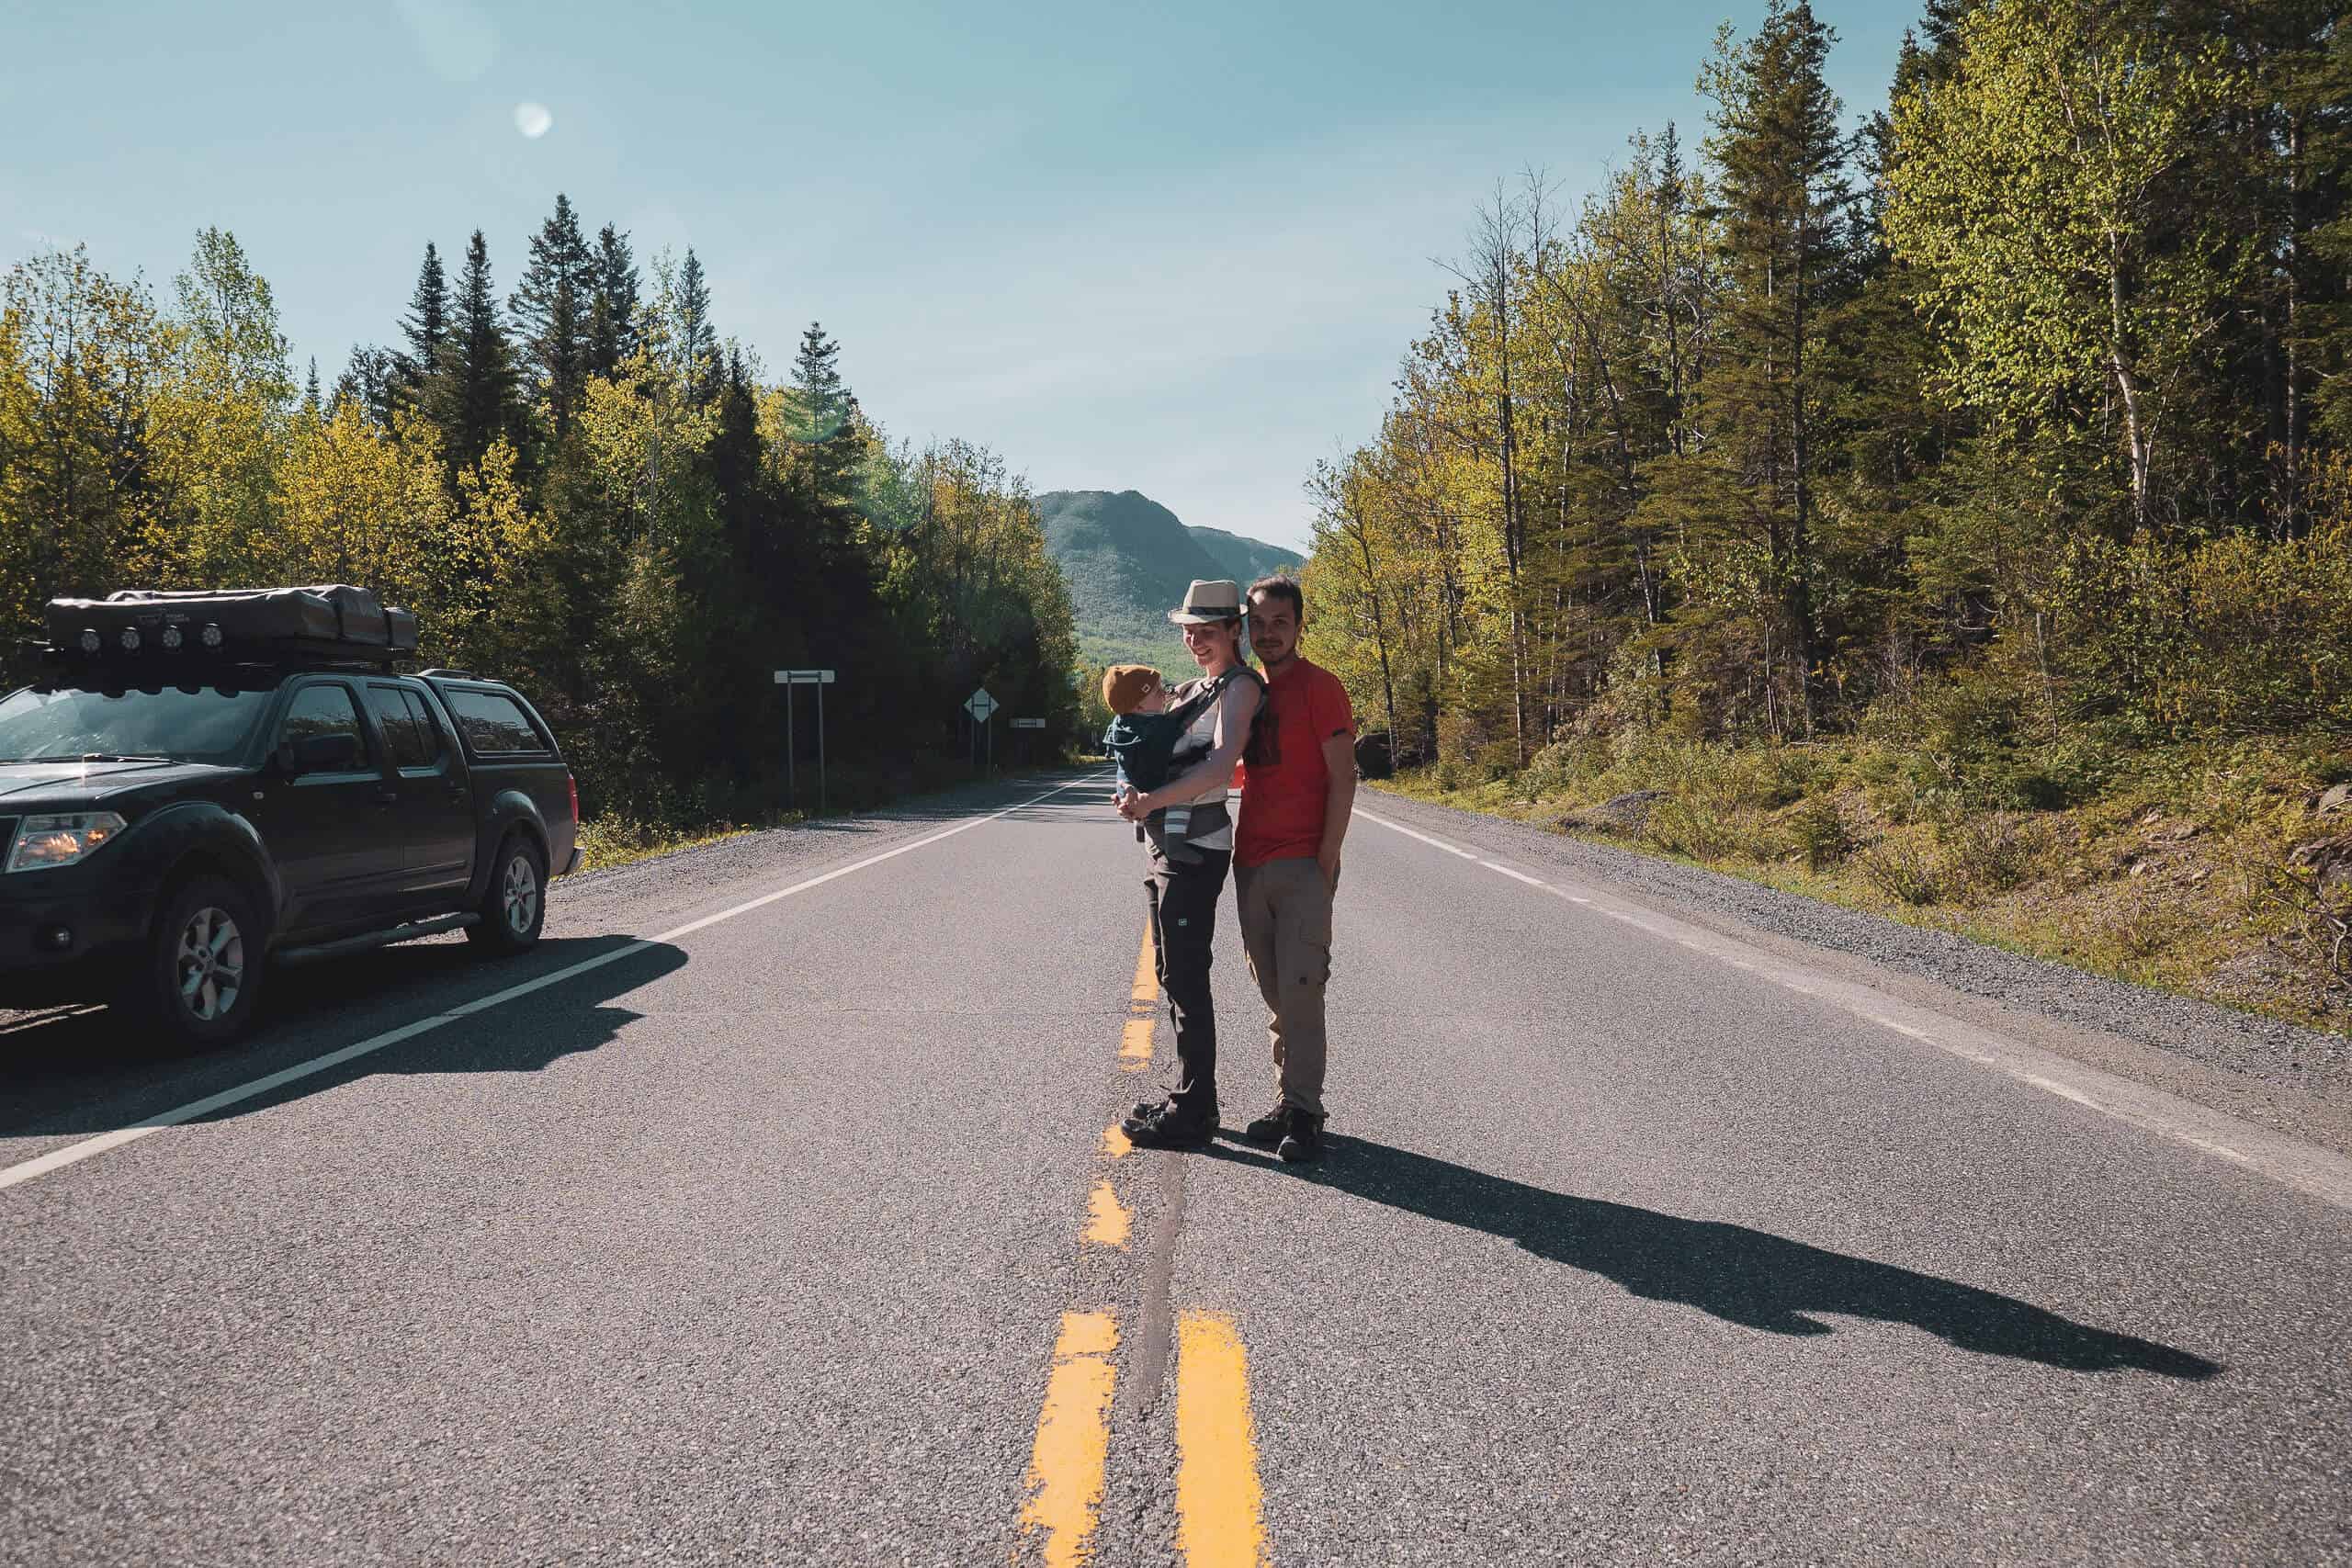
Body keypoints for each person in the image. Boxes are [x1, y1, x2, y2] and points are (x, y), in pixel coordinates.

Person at [1115, 581, 1262, 1150]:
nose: (1193, 639)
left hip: (1196, 847)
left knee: (1186, 974)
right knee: (1174, 971)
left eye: (1205, 629)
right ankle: (1190, 1094)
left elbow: (1222, 767)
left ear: (1234, 630)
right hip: (1168, 845)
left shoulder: (1239, 688)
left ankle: (1196, 1107)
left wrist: (1151, 801)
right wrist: (1133, 795)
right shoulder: (1198, 688)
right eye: (1187, 629)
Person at [1231, 575, 1356, 1165]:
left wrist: (1325, 860)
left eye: (1281, 622)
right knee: (1277, 993)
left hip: (1302, 863)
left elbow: (1344, 775)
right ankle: (1287, 1102)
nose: (1269, 633)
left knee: (1303, 993)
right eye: (1259, 623)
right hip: (1250, 862)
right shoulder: (1249, 691)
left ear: (1301, 626)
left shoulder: (1320, 688)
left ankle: (1306, 1112)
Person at [1100, 663, 1238, 864]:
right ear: (1139, 705)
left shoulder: (1119, 725)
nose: (1164, 694)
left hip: (1129, 784)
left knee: (1130, 788)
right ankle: (1174, 842)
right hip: (1154, 787)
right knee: (1182, 791)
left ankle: (1141, 825)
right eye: (1157, 692)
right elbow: (1178, 744)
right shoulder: (1158, 727)